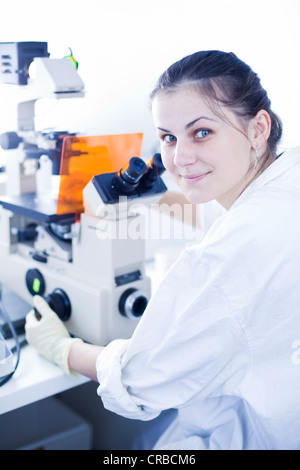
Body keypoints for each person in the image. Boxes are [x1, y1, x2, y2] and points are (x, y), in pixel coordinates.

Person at [25, 50, 300, 450]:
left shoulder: (232, 255)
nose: (179, 158)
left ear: (258, 128)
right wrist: (138, 193)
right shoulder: (284, 181)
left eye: (201, 132)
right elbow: (218, 208)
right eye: (168, 138)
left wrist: (62, 349)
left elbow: (140, 380)